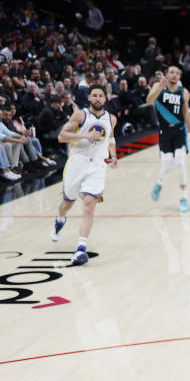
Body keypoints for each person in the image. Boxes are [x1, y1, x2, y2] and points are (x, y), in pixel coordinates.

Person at [50, 85, 117, 265]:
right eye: (94, 95)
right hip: (77, 163)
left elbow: (111, 138)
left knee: (89, 205)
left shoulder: (112, 119)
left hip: (97, 167)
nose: (97, 98)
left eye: (100, 95)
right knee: (67, 204)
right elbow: (62, 136)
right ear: (89, 97)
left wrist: (114, 155)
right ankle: (60, 219)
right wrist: (86, 135)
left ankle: (81, 249)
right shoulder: (80, 115)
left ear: (105, 98)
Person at [146, 66, 190, 212]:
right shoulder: (158, 86)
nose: (174, 75)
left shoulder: (184, 92)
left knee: (181, 163)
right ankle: (159, 183)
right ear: (167, 74)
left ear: (180, 76)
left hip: (180, 131)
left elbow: (187, 115)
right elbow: (149, 100)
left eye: (177, 73)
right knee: (168, 163)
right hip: (164, 132)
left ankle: (184, 198)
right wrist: (160, 86)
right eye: (172, 72)